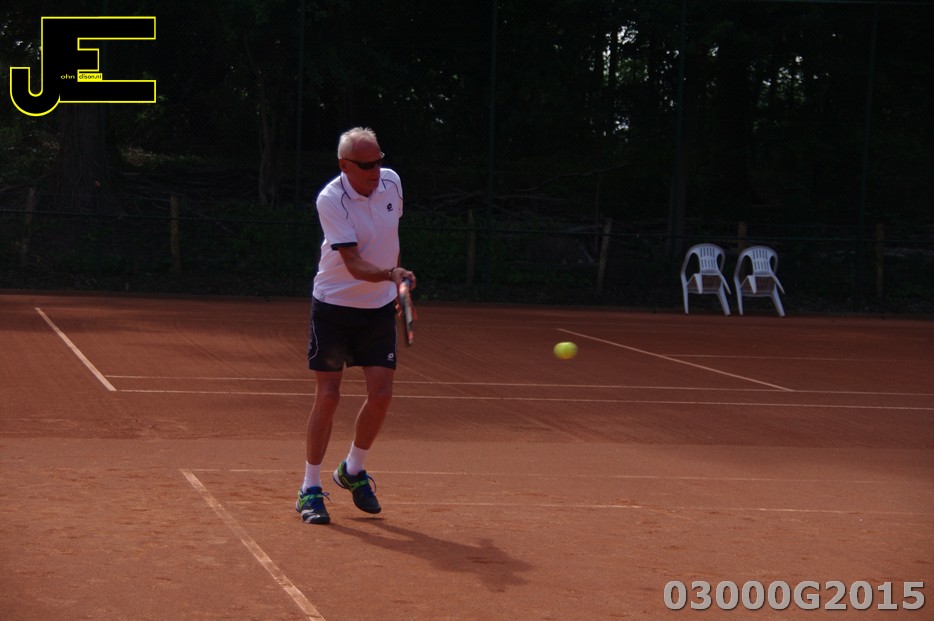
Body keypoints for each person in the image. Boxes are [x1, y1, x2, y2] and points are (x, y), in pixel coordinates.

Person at [296, 127, 416, 525]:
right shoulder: (331, 199)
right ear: (344, 165)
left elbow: (389, 239)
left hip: (377, 308)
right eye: (366, 165)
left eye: (379, 161)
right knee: (329, 396)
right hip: (334, 306)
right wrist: (390, 275)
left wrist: (396, 287)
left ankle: (352, 470)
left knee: (381, 395)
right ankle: (310, 488)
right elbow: (353, 264)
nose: (375, 170)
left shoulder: (392, 182)